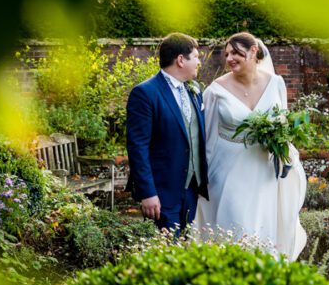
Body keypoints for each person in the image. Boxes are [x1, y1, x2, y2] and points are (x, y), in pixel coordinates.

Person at [194, 32, 307, 259]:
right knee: (235, 224)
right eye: (227, 54)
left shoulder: (276, 83)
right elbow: (203, 136)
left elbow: (283, 124)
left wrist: (284, 150)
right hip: (228, 170)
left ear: (254, 51)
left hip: (264, 169)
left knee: (264, 227)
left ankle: (262, 283)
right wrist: (202, 177)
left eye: (236, 52)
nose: (229, 59)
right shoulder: (215, 90)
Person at [126, 33, 209, 233]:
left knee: (183, 249)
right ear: (181, 60)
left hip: (191, 189)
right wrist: (147, 193)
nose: (199, 61)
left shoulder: (193, 90)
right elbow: (138, 146)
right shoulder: (145, 93)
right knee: (165, 251)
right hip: (162, 193)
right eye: (196, 56)